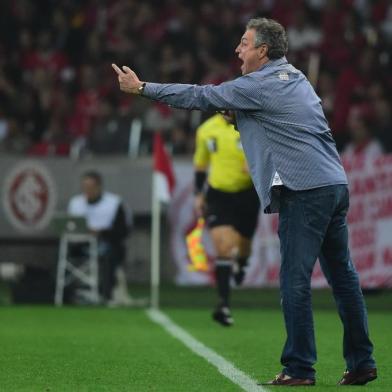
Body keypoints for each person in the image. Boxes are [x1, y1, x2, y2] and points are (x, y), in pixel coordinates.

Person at [112, 17, 377, 386]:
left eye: (244, 43)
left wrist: (142, 88)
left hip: (304, 191)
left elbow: (199, 95)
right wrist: (241, 119)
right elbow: (285, 126)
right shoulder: (298, 79)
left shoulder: (258, 85)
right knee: (344, 279)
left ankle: (300, 367)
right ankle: (362, 362)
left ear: (262, 51)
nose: (238, 49)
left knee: (294, 281)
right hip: (334, 184)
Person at [193, 112, 260, 326]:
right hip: (219, 195)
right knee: (224, 246)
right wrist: (199, 194)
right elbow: (201, 166)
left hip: (248, 194)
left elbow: (268, 151)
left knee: (243, 246)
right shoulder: (206, 130)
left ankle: (242, 261)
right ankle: (223, 304)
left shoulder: (250, 125)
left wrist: (256, 165)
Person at [68, 171, 131, 304]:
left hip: (106, 243)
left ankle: (105, 294)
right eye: (85, 187)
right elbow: (69, 226)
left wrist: (101, 233)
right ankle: (65, 293)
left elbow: (123, 231)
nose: (87, 190)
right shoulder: (76, 203)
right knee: (61, 252)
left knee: (110, 254)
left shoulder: (114, 203)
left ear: (99, 187)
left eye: (91, 187)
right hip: (81, 244)